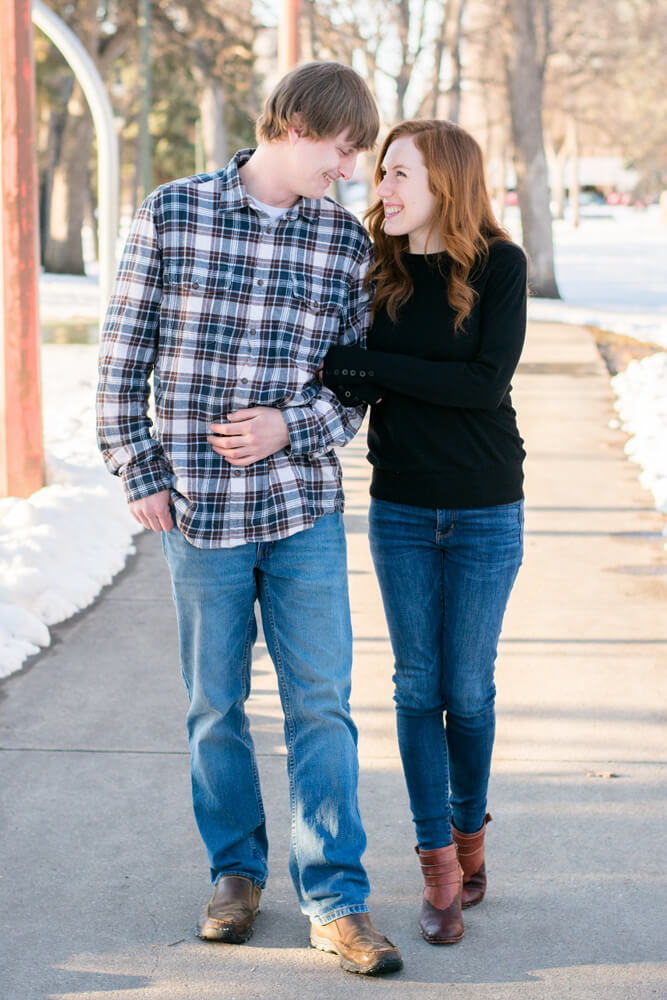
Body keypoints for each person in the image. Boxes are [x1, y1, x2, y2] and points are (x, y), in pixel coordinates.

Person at [96, 61, 403, 977]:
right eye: (343, 150)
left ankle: (336, 900)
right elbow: (122, 355)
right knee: (214, 706)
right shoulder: (174, 212)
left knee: (321, 706)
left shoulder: (344, 247)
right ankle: (235, 874)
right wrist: (135, 467)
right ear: (297, 126)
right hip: (195, 511)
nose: (349, 169)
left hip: (301, 506)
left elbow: (353, 394)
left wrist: (287, 425)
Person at [322, 119, 526, 945]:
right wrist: (372, 373)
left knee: (467, 694)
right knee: (415, 688)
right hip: (401, 508)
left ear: (445, 180)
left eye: (399, 173)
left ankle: (471, 841)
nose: (384, 190)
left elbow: (483, 385)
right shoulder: (380, 269)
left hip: (483, 508)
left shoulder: (499, 265)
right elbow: (340, 373)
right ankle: (439, 868)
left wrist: (375, 367)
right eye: (380, 174)